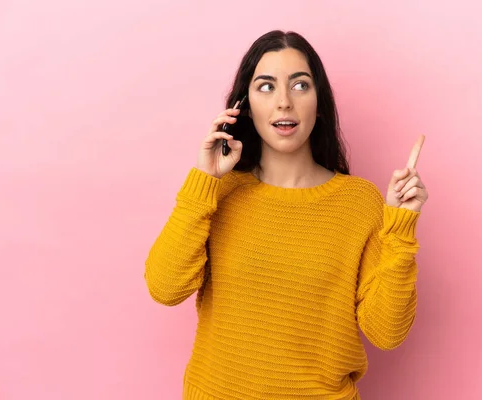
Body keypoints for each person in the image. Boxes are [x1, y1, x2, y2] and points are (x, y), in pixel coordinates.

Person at [144, 30, 428, 400]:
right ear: (245, 106)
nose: (283, 102)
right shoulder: (222, 191)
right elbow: (165, 288)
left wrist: (400, 231)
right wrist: (204, 180)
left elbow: (386, 333)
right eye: (265, 87)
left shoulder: (360, 203)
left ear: (319, 102)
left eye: (299, 85)